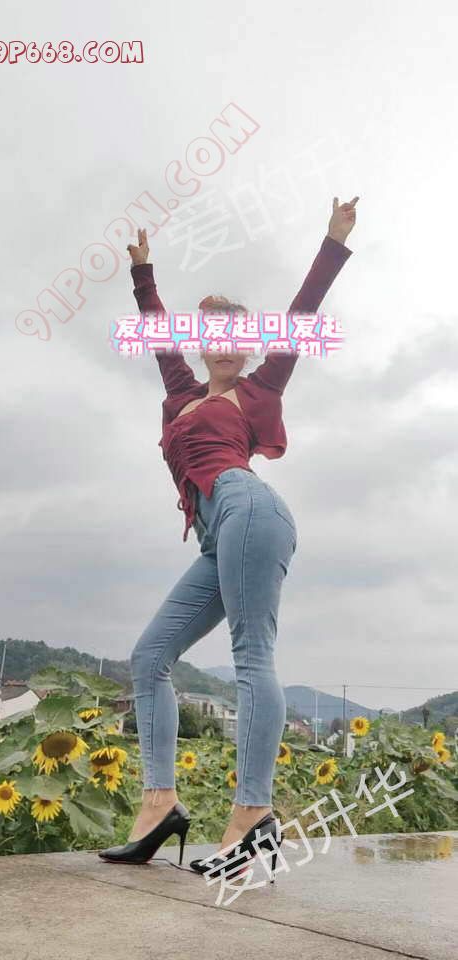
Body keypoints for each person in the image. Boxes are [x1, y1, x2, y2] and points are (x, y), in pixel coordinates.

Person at [98, 196, 358, 875]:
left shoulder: (260, 390)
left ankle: (251, 813)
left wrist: (333, 241)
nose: (225, 346)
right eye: (214, 335)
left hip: (249, 509)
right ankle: (159, 804)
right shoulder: (182, 394)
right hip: (220, 534)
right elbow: (158, 334)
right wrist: (144, 272)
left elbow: (301, 315)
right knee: (149, 657)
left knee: (251, 658)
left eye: (237, 337)